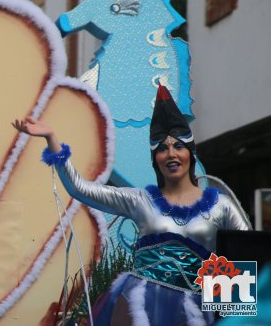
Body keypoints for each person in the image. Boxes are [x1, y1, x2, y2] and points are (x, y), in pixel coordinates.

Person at [13, 85, 251, 326]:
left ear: (190, 153)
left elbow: (249, 254)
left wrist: (239, 314)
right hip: (141, 307)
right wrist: (52, 139)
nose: (171, 154)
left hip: (197, 311)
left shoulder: (221, 205)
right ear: (154, 158)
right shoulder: (140, 201)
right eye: (162, 148)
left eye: (178, 146)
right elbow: (80, 189)